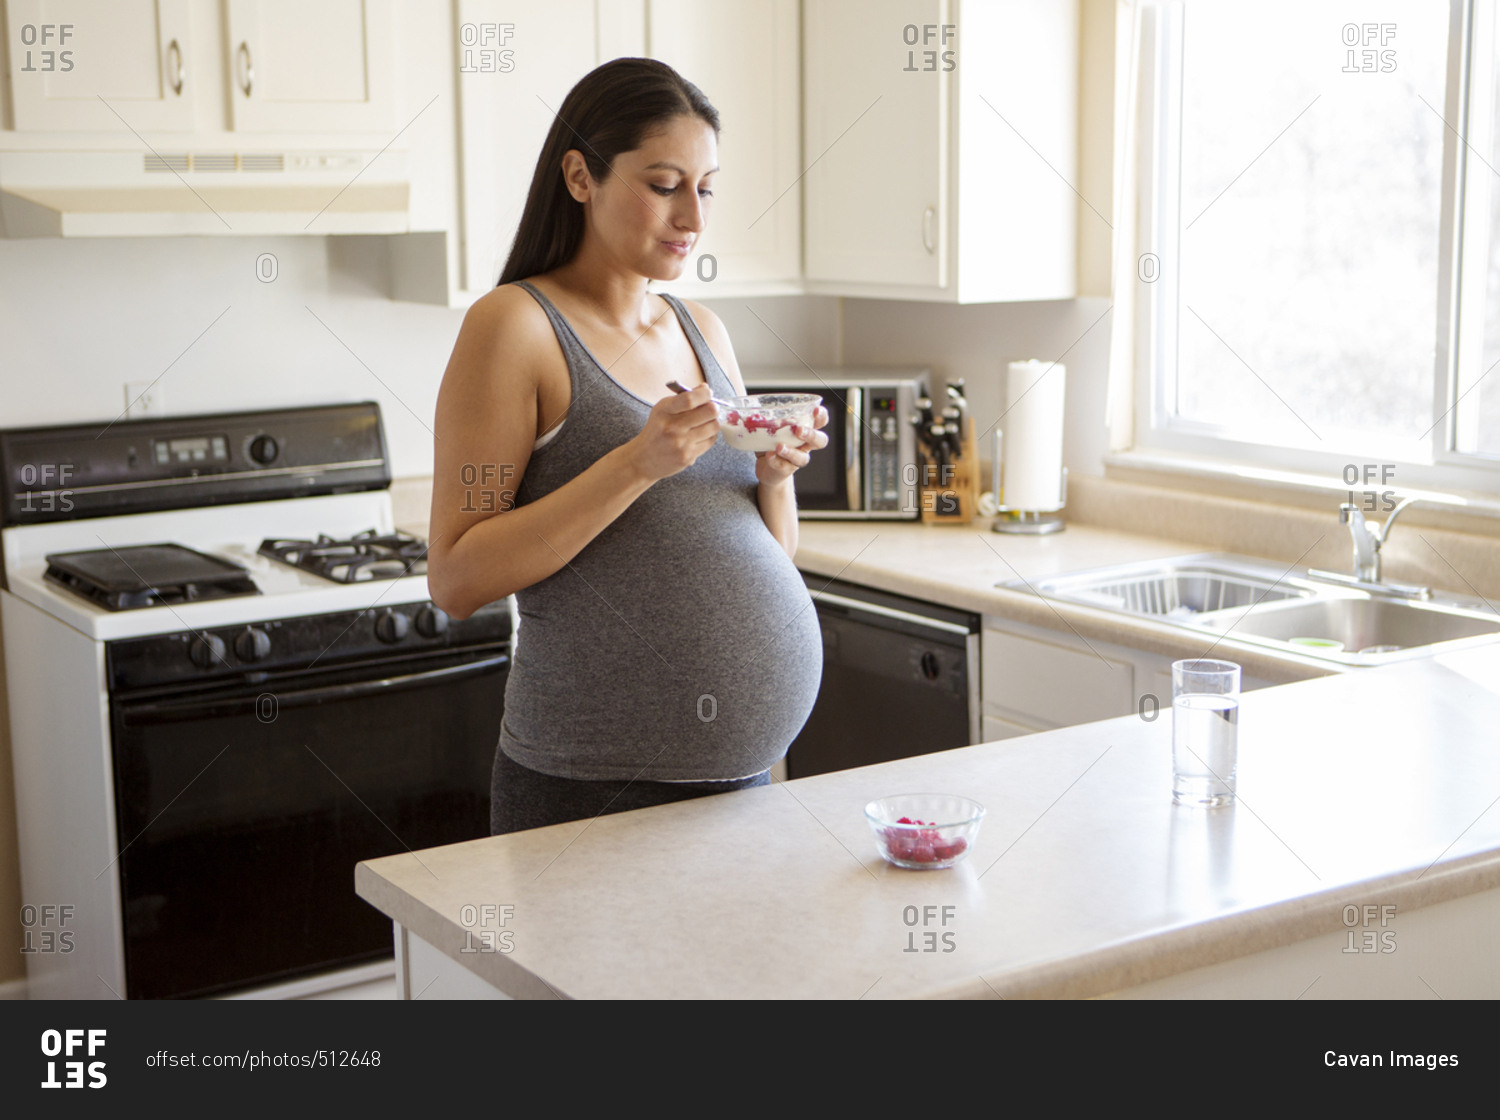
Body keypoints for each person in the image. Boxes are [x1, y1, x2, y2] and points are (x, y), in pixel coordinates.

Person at [426, 58, 829, 835]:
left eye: (705, 188)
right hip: (591, 792)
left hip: (740, 786)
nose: (694, 218)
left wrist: (774, 479)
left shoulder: (701, 331)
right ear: (580, 176)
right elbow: (456, 576)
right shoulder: (515, 328)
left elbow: (769, 558)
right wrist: (636, 463)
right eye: (664, 184)